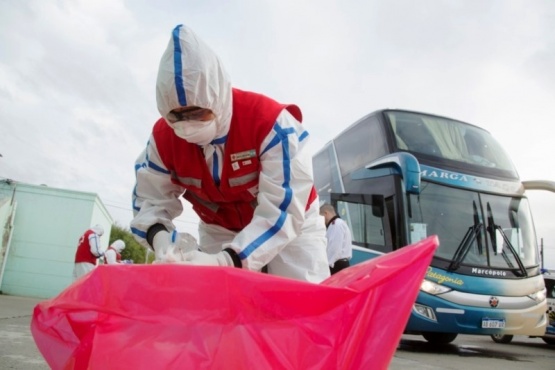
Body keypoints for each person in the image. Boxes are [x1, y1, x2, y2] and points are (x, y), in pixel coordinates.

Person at [130, 24, 329, 283]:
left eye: (197, 112)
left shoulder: (271, 125)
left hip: (293, 225)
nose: (187, 123)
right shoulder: (162, 140)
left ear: (218, 97)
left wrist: (228, 260)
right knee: (221, 303)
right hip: (219, 228)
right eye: (176, 115)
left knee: (302, 298)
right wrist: (160, 238)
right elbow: (150, 200)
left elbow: (284, 209)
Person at [319, 204, 353, 274]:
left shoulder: (336, 224)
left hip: (337, 265)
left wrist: (326, 265)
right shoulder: (337, 224)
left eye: (321, 216)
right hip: (338, 264)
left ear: (326, 213)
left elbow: (334, 248)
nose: (321, 220)